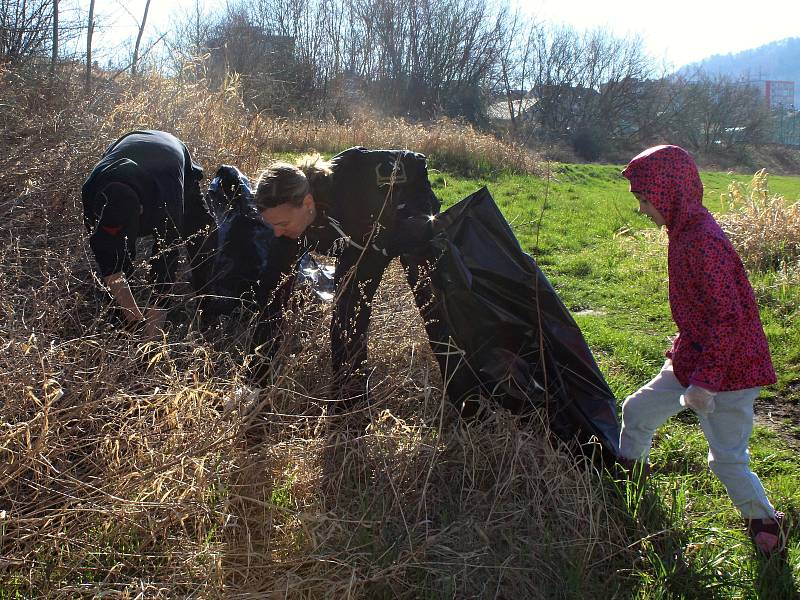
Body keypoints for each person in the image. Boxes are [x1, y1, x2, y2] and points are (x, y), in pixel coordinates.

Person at [617, 144, 787, 556]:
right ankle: (630, 486)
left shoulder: (702, 242)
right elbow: (705, 313)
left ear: (668, 194)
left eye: (644, 199)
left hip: (728, 372)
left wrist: (705, 384)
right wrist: (684, 349)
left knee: (726, 458)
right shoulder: (684, 229)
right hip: (694, 357)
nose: (641, 209)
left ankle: (766, 528)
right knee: (636, 412)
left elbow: (727, 320)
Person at [254, 147, 454, 408]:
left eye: (281, 224)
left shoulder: (352, 183)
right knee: (346, 316)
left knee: (434, 298)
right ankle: (350, 406)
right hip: (360, 238)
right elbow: (273, 294)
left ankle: (467, 390)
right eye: (272, 225)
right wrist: (257, 377)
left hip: (406, 211)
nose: (277, 233)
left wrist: (400, 239)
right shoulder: (289, 226)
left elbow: (414, 164)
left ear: (307, 204)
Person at [82, 130, 214, 338]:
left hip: (170, 158)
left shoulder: (166, 199)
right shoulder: (92, 191)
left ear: (142, 211)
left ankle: (209, 309)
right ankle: (121, 328)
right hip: (128, 144)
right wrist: (134, 319)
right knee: (117, 257)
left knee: (201, 237)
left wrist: (152, 337)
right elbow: (108, 262)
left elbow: (166, 258)